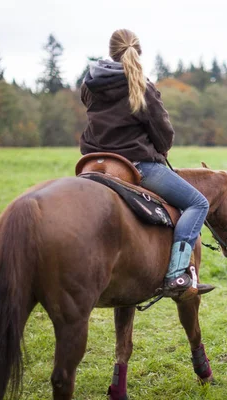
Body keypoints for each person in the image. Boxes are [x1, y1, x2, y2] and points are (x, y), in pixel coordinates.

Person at [79, 29, 211, 299]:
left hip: (92, 165)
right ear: (137, 52)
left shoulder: (89, 84)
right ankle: (176, 274)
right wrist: (160, 151)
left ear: (110, 51)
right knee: (198, 203)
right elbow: (164, 133)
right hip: (136, 165)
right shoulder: (142, 85)